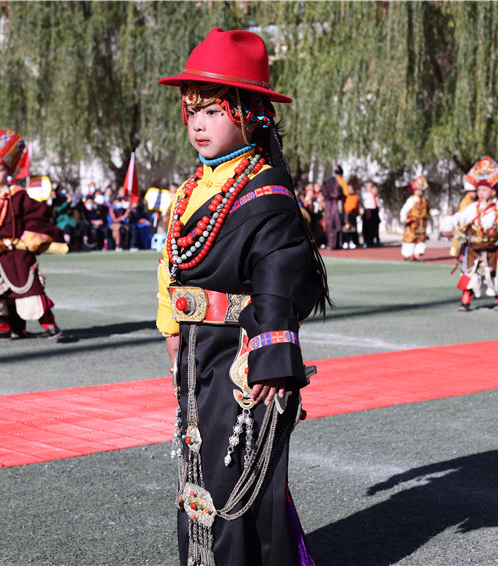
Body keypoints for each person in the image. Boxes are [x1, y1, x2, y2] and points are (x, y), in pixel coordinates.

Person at [157, 27, 331, 566]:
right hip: (196, 352)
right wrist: (170, 325)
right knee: (197, 467)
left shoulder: (266, 190)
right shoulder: (191, 189)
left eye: (212, 111)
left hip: (241, 358)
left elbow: (279, 278)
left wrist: (273, 360)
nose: (198, 124)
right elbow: (170, 264)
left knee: (232, 477)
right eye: (192, 111)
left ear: (250, 115)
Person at [0, 129, 63, 340]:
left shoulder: (18, 194)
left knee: (30, 290)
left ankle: (50, 325)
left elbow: (36, 216)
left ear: (8, 171)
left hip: (17, 252)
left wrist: (31, 237)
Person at [452, 178, 498, 311]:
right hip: (473, 249)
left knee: (495, 274)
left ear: (493, 192)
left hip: (492, 249)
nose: (481, 193)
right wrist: (450, 227)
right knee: (470, 273)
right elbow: (459, 219)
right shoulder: (472, 208)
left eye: (484, 190)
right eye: (479, 190)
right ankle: (465, 301)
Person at [399, 176, 431, 261]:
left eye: (422, 191)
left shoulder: (424, 201)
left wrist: (434, 212)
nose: (421, 192)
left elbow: (429, 209)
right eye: (419, 190)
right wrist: (404, 218)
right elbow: (404, 210)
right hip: (413, 223)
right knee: (410, 239)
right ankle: (407, 255)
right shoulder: (411, 200)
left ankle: (417, 255)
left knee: (421, 239)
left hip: (422, 224)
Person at [320, 165, 346, 249]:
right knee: (338, 223)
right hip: (337, 204)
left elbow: (323, 192)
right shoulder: (342, 181)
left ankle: (330, 244)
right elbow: (346, 193)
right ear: (341, 174)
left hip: (328, 205)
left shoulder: (328, 182)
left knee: (329, 224)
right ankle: (338, 244)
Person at [361, 180, 382, 247]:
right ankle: (367, 242)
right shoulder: (365, 195)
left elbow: (379, 203)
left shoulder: (377, 196)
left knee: (375, 227)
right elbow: (360, 201)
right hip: (368, 211)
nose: (376, 191)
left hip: (375, 211)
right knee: (367, 227)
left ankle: (374, 241)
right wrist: (363, 208)